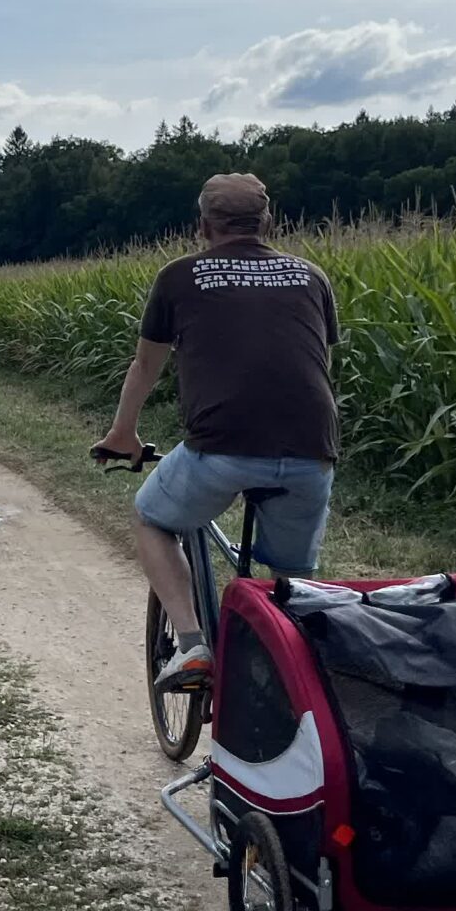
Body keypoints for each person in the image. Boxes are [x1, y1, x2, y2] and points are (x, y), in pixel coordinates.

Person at [90, 172, 340, 691]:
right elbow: (318, 364)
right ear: (268, 222)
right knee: (293, 581)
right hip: (312, 452)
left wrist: (123, 434)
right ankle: (295, 679)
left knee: (151, 518)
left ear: (203, 226)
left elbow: (146, 365)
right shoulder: (311, 276)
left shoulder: (179, 276)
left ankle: (191, 645)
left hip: (222, 449)